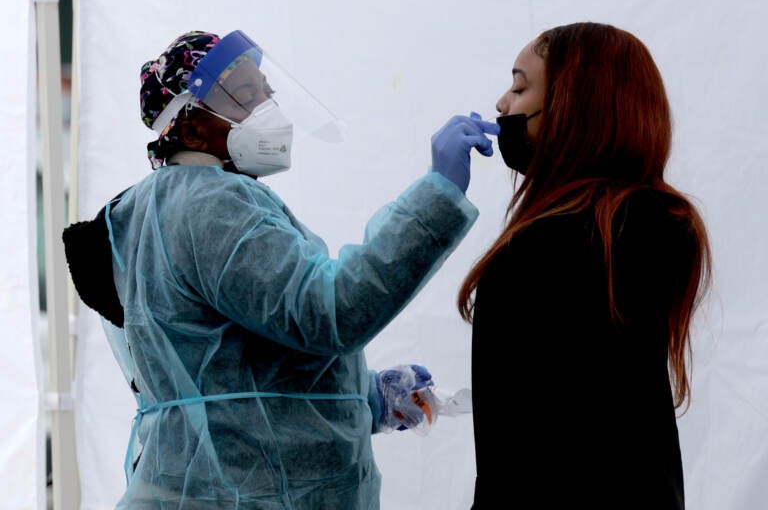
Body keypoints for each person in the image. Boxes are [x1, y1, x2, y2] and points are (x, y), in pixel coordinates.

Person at [64, 29, 499, 509]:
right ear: (191, 130)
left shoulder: (166, 207)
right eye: (246, 95)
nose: (269, 106)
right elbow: (331, 312)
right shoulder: (209, 205)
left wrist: (364, 398)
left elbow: (238, 362)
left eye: (267, 90)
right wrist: (437, 197)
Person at [458, 22, 712, 509]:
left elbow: (522, 452)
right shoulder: (665, 225)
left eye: (519, 86)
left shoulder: (547, 245)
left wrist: (437, 197)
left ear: (575, 105)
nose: (501, 105)